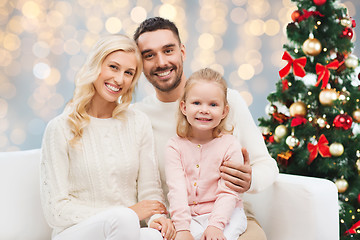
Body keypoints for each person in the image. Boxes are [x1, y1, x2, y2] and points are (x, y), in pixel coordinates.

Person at [133, 17, 279, 240]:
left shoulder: (229, 101)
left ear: (182, 51)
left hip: (231, 217)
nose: (161, 62)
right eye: (149, 55)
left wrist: (250, 180)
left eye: (168, 50)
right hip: (177, 224)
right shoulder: (138, 117)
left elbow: (267, 166)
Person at [40, 34, 175, 240]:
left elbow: (149, 192)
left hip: (125, 229)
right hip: (76, 232)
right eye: (113, 67)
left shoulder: (138, 123)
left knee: (155, 236)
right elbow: (56, 211)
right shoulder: (60, 128)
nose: (119, 79)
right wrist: (128, 213)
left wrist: (157, 217)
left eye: (128, 73)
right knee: (122, 218)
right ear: (96, 66)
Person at [165, 68, 247, 240]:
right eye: (196, 103)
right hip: (190, 217)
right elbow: (176, 189)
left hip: (227, 214)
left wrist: (215, 226)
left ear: (224, 111)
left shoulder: (230, 145)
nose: (204, 110)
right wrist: (182, 228)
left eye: (213, 104)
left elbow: (228, 192)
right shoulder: (174, 146)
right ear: (184, 107)